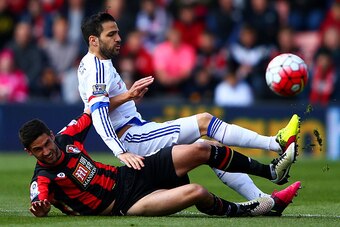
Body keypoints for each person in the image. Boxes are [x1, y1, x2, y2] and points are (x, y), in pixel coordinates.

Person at [77, 12, 301, 216]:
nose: (119, 38)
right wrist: (120, 151)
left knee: (211, 146)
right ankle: (276, 145)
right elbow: (97, 114)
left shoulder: (93, 63)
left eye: (118, 32)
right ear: (93, 40)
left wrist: (127, 96)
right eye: (111, 34)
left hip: (138, 131)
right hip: (133, 138)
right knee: (204, 121)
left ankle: (262, 197)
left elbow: (95, 105)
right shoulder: (98, 67)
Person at [19, 109, 299, 217]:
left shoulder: (67, 138)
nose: (47, 151)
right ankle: (254, 209)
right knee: (198, 192)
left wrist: (127, 97)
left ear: (51, 136)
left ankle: (271, 171)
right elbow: (39, 204)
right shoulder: (42, 178)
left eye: (47, 143)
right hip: (126, 204)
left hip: (130, 172)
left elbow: (93, 111)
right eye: (39, 150)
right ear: (30, 152)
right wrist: (41, 208)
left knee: (204, 148)